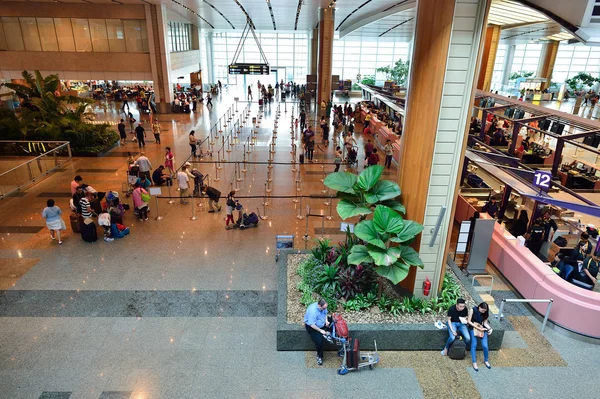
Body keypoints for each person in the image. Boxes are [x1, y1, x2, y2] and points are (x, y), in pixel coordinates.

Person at [304, 299, 331, 366]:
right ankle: (319, 356)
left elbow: (325, 313)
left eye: (325, 307)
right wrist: (320, 330)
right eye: (324, 308)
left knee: (334, 322)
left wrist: (326, 321)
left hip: (321, 322)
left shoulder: (323, 307)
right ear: (319, 306)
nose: (325, 308)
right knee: (319, 342)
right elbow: (312, 324)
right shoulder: (312, 311)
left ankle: (329, 335)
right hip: (313, 327)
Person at [467, 302, 492, 372]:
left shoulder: (485, 314)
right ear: (479, 307)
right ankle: (474, 362)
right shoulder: (473, 310)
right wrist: (478, 328)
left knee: (485, 345)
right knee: (474, 345)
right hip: (473, 328)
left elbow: (485, 323)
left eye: (485, 311)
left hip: (481, 328)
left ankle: (486, 360)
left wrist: (490, 329)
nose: (483, 311)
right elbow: (469, 321)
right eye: (482, 310)